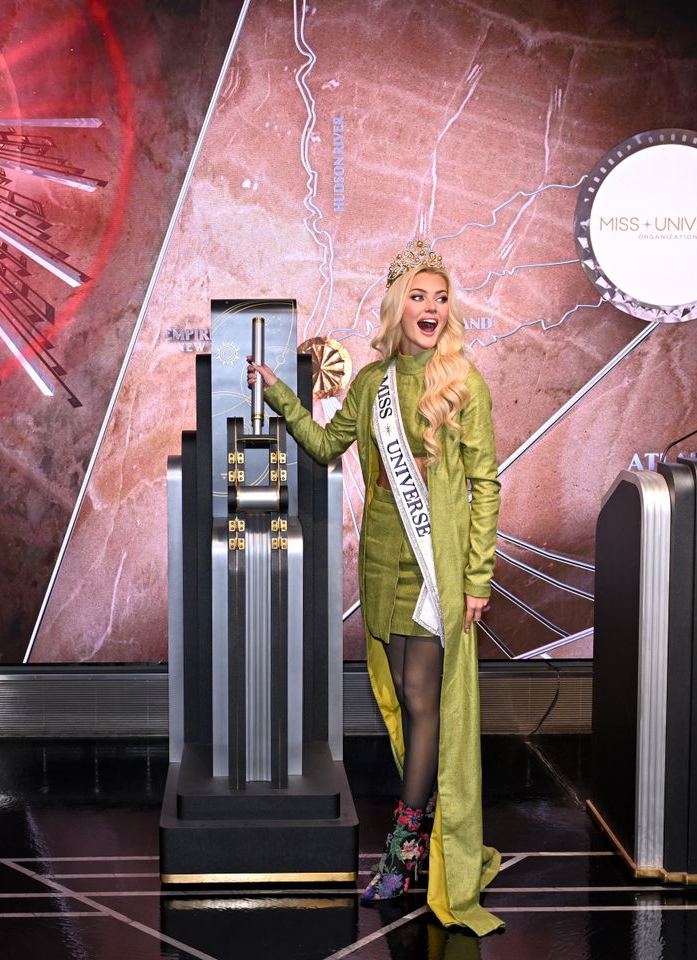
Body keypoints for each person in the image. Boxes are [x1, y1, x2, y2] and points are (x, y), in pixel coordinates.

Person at [247, 240, 503, 935]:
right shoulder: (370, 385)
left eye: (441, 297)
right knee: (402, 704)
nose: (431, 308)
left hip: (434, 566)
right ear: (397, 307)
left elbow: (486, 485)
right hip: (383, 560)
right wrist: (277, 393)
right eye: (418, 297)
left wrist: (477, 576)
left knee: (425, 704)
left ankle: (405, 847)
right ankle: (414, 842)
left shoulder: (462, 383)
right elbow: (327, 449)